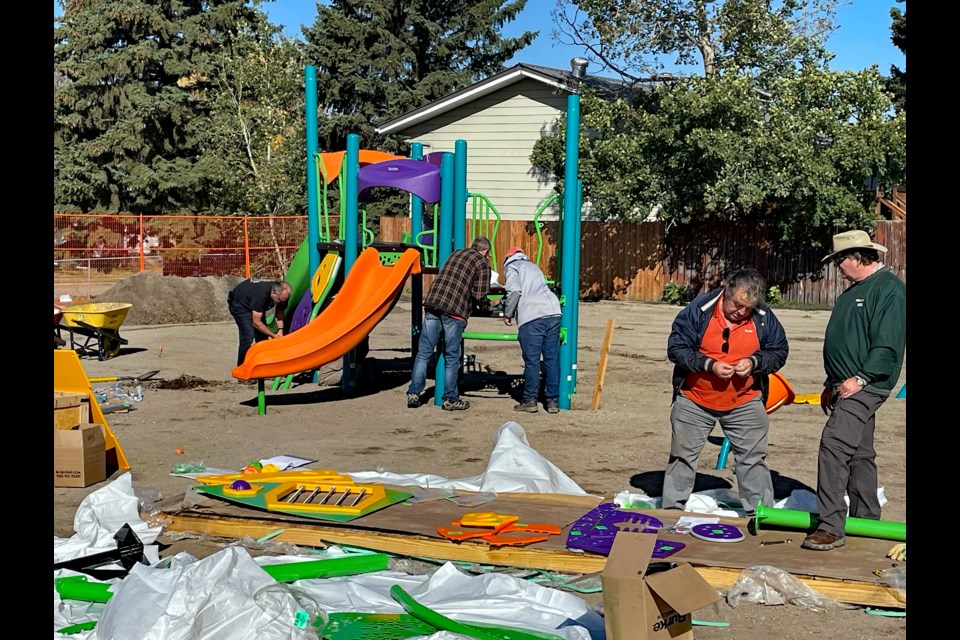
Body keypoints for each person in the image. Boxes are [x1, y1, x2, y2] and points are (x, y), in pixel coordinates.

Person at [801, 230, 906, 551]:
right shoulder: (855, 290)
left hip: (866, 385)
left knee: (833, 446)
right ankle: (866, 518)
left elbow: (887, 345)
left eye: (839, 260)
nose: (837, 267)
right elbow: (848, 340)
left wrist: (859, 379)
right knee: (860, 453)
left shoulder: (888, 290)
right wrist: (831, 384)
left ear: (858, 258)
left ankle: (831, 525)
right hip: (845, 385)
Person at [662, 268, 789, 516]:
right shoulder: (699, 310)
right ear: (726, 292)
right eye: (738, 304)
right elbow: (676, 348)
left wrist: (754, 363)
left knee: (753, 460)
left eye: (748, 308)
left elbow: (779, 351)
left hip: (745, 400)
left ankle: (762, 515)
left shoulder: (763, 317)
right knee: (682, 457)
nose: (741, 312)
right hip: (695, 399)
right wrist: (708, 365)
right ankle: (671, 513)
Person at [406, 236, 492, 411]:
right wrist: (486, 305)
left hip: (433, 302)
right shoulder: (482, 263)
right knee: (452, 357)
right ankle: (450, 398)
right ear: (485, 252)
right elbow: (479, 294)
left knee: (423, 352)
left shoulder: (456, 253)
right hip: (455, 309)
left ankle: (414, 393)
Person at [500, 247, 562, 414]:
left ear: (508, 256)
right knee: (551, 359)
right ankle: (552, 401)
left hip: (533, 314)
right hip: (553, 311)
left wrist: (508, 313)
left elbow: (514, 290)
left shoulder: (512, 266)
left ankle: (529, 400)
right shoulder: (533, 266)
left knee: (532, 361)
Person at [228, 279, 292, 368]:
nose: (282, 303)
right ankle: (242, 369)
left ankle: (263, 367)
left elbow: (280, 311)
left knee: (262, 338)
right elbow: (256, 322)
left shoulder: (282, 296)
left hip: (254, 302)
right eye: (280, 301)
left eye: (284, 301)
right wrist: (273, 335)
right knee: (248, 336)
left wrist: (280, 330)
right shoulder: (261, 295)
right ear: (273, 293)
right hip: (240, 303)